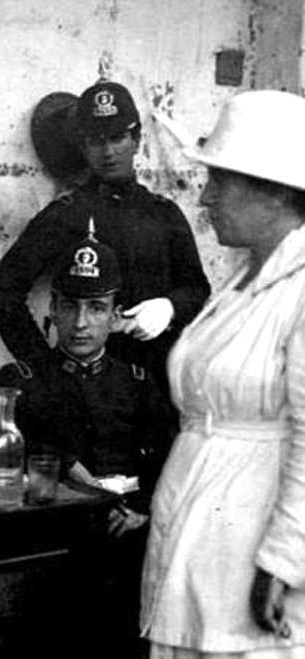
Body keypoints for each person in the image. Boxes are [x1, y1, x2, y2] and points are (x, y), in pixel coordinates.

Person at [141, 90, 305, 658]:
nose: (205, 197)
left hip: (258, 551)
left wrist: (284, 560)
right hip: (200, 534)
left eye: (219, 181)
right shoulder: (240, 281)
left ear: (275, 191)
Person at [0, 228, 173, 657]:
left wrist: (142, 509)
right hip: (56, 536)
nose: (80, 323)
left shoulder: (136, 382)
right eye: (70, 306)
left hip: (130, 532)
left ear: (116, 315)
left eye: (96, 308)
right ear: (53, 309)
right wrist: (55, 458)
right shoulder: (23, 380)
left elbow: (171, 458)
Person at [0, 79, 210, 397]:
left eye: (117, 138)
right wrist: (45, 369)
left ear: (136, 139)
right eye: (95, 141)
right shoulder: (67, 214)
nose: (108, 152)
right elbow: (1, 291)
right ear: (83, 147)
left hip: (158, 385)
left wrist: (169, 307)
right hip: (89, 390)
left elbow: (197, 289)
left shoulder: (164, 214)